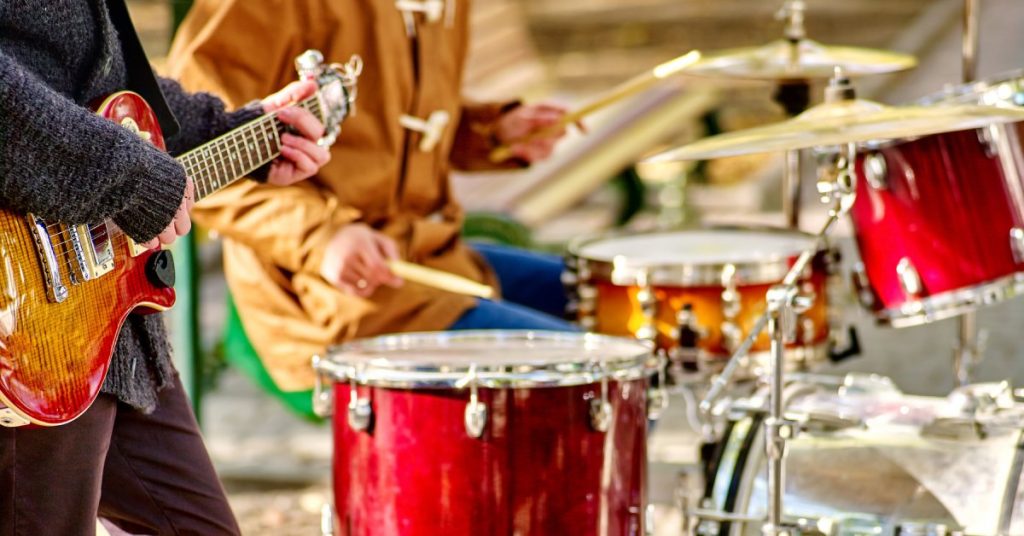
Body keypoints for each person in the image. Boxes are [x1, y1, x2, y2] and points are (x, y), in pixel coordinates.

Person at [0, 1, 332, 534]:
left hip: (110, 326)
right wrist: (130, 179)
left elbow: (102, 74)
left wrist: (238, 130)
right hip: (26, 330)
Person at [168, 0, 577, 397]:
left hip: (432, 255)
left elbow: (397, 127)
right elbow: (182, 156)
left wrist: (494, 133)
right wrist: (324, 236)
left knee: (608, 307)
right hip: (326, 297)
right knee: (583, 371)